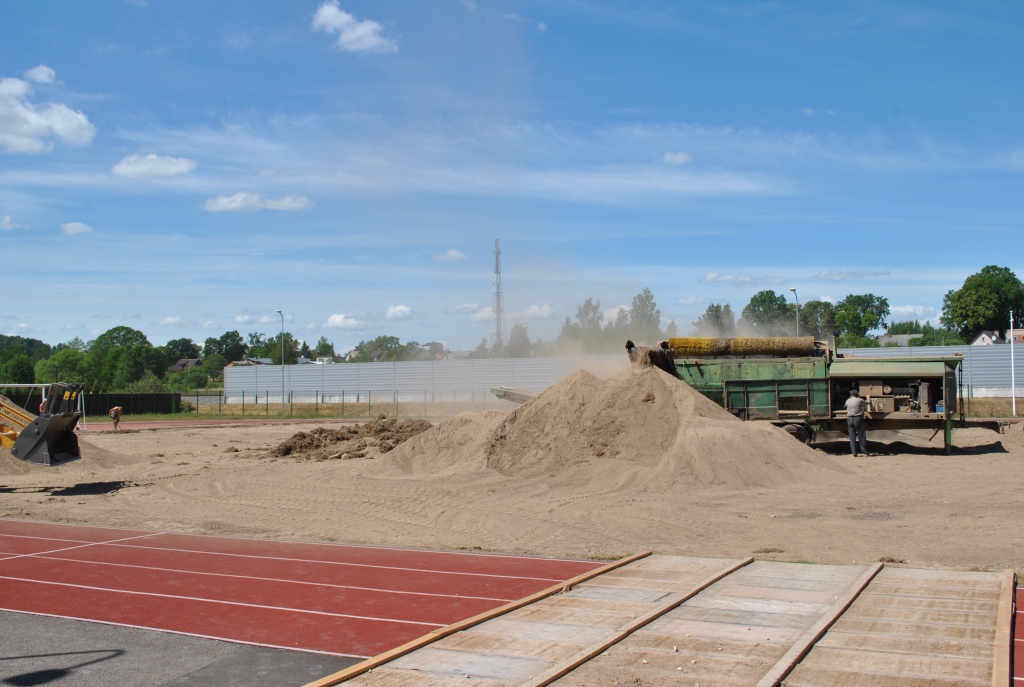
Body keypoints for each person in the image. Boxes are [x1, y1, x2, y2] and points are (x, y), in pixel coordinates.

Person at [844, 390, 868, 456]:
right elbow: (867, 402)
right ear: (857, 394)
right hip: (857, 418)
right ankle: (864, 452)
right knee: (861, 435)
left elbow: (845, 406)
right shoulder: (859, 400)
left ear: (851, 394)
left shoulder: (847, 401)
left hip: (849, 419)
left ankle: (854, 453)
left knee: (852, 436)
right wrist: (868, 397)